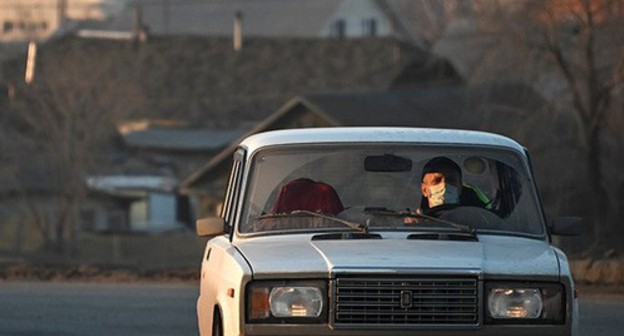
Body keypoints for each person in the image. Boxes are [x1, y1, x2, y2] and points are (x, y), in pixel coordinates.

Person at [406, 157, 486, 222]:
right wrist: (416, 226)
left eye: (451, 180)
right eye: (436, 181)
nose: (444, 185)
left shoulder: (477, 220)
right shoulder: (414, 221)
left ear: (460, 187)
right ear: (424, 190)